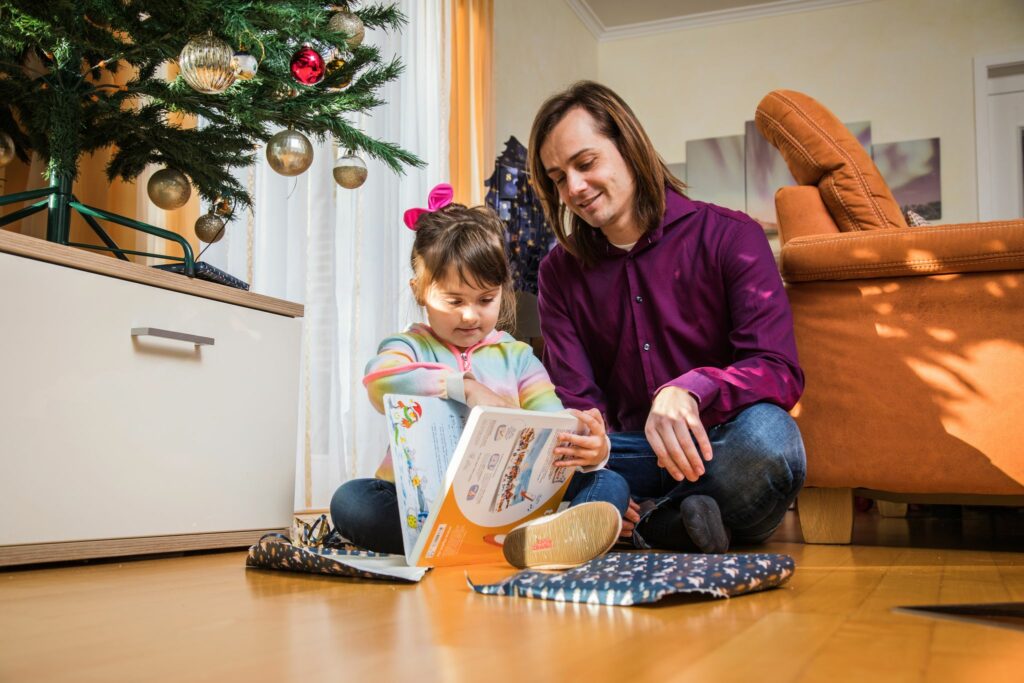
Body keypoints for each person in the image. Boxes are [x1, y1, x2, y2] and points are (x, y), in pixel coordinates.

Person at [528, 82, 806, 554]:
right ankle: (673, 520)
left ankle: (646, 521)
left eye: (586, 163)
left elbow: (777, 369)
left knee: (772, 437)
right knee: (553, 454)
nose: (573, 188)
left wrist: (692, 389)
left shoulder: (732, 236)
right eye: (558, 178)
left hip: (718, 449)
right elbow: (579, 407)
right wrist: (600, 461)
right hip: (622, 454)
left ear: (629, 146)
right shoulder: (557, 274)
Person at [329, 183, 628, 568]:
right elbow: (378, 382)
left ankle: (543, 539)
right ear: (419, 291)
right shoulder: (410, 345)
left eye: (485, 299)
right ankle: (497, 546)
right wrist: (462, 386)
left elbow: (551, 419)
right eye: (454, 301)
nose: (470, 315)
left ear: (502, 292)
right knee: (351, 501)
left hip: (510, 507)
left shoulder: (517, 357)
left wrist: (587, 443)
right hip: (423, 508)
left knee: (610, 482)